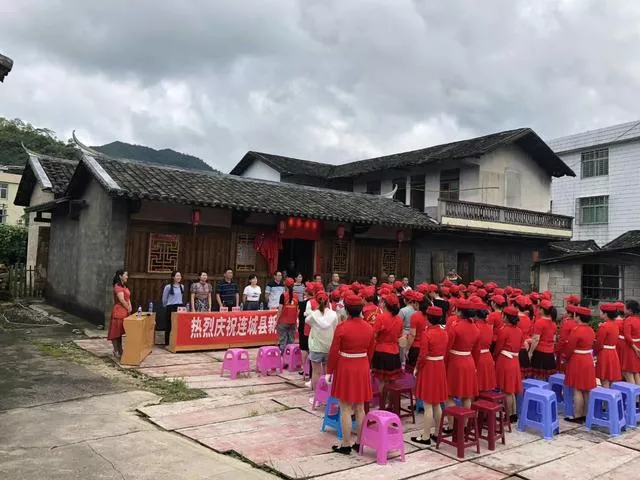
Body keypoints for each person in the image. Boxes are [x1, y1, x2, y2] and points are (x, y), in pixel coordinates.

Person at [326, 293, 375, 455]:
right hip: (362, 365)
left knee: (345, 407)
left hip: (346, 366)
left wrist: (329, 370)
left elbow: (334, 351)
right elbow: (371, 350)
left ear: (346, 310)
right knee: (360, 407)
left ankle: (346, 443)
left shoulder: (342, 327)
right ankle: (359, 442)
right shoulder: (368, 327)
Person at [411, 305, 448, 446]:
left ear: (428, 318)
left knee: (427, 405)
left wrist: (417, 368)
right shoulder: (444, 333)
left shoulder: (427, 334)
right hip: (439, 366)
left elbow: (422, 355)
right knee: (437, 403)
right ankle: (437, 433)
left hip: (429, 368)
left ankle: (425, 436)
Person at [445, 300, 480, 413]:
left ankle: (451, 423)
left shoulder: (455, 327)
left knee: (449, 395)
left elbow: (447, 347)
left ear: (460, 312)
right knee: (467, 396)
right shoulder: (475, 328)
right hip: (469, 362)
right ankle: (464, 422)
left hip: (455, 362)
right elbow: (477, 351)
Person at [564, 305, 597, 423]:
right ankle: (586, 414)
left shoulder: (576, 330)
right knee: (587, 389)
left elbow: (569, 347)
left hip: (578, 359)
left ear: (578, 317)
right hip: (588, 359)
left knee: (577, 389)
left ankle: (577, 415)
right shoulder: (591, 330)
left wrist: (565, 357)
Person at [494, 305, 523, 422]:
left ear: (506, 317)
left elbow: (498, 347)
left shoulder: (504, 330)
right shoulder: (519, 331)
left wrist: (495, 357)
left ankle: (508, 415)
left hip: (505, 360)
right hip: (515, 360)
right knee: (511, 390)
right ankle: (513, 413)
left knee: (507, 390)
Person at [371, 294, 404, 396]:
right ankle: (391, 402)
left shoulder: (380, 318)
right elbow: (400, 335)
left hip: (381, 352)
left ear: (385, 304)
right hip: (394, 352)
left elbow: (374, 335)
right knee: (392, 381)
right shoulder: (399, 319)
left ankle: (383, 403)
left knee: (382, 381)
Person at [306, 291, 338, 395]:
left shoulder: (313, 315)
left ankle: (316, 396)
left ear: (317, 301)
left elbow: (307, 321)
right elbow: (335, 327)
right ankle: (326, 394)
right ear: (328, 301)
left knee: (316, 372)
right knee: (327, 372)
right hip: (329, 346)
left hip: (316, 346)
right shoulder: (333, 315)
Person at [528, 299, 557, 381]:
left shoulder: (539, 322)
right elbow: (554, 339)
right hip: (550, 354)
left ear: (542, 310)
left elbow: (536, 339)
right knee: (547, 379)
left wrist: (530, 352)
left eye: (539, 308)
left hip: (540, 353)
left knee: (538, 379)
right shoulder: (554, 323)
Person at [596, 303, 622, 388]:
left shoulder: (604, 326)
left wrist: (595, 353)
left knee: (604, 379)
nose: (599, 313)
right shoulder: (615, 325)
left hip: (604, 353)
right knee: (611, 379)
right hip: (613, 353)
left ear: (605, 314)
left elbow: (599, 343)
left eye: (601, 312)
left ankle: (605, 396)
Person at [108, 269, 131, 358]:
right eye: (126, 275)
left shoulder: (124, 286)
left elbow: (128, 298)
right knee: (115, 332)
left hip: (124, 311)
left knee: (120, 332)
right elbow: (121, 300)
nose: (127, 277)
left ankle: (120, 349)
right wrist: (128, 307)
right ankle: (116, 350)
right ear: (120, 276)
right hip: (119, 311)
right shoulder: (117, 287)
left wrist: (130, 306)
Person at [473, 305, 496, 391]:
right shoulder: (489, 327)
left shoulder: (475, 326)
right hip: (487, 357)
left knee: (474, 389)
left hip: (477, 358)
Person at [406, 294, 428, 373]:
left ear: (417, 303)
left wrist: (407, 349)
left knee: (412, 372)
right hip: (427, 347)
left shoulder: (415, 316)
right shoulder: (429, 314)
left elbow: (412, 334)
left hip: (416, 347)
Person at [276, 277, 299, 354]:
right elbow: (297, 309)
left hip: (283, 321)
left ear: (285, 285)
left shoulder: (283, 295)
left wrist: (276, 320)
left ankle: (283, 357)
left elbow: (280, 309)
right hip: (293, 321)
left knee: (283, 340)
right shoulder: (296, 296)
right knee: (291, 341)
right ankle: (290, 356)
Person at [161, 270, 184, 345]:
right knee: (169, 325)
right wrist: (166, 306)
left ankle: (177, 342)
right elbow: (164, 298)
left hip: (179, 307)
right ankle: (167, 342)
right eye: (177, 276)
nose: (179, 277)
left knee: (178, 325)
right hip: (170, 307)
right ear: (173, 277)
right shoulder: (168, 287)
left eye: (180, 276)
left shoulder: (182, 286)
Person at [622, 300, 640, 384]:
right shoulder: (638, 319)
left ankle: (632, 392)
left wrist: (635, 348)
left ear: (630, 310)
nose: (623, 309)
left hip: (630, 347)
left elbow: (627, 336)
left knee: (628, 372)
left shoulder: (628, 320)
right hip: (638, 344)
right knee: (636, 372)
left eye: (625, 308)